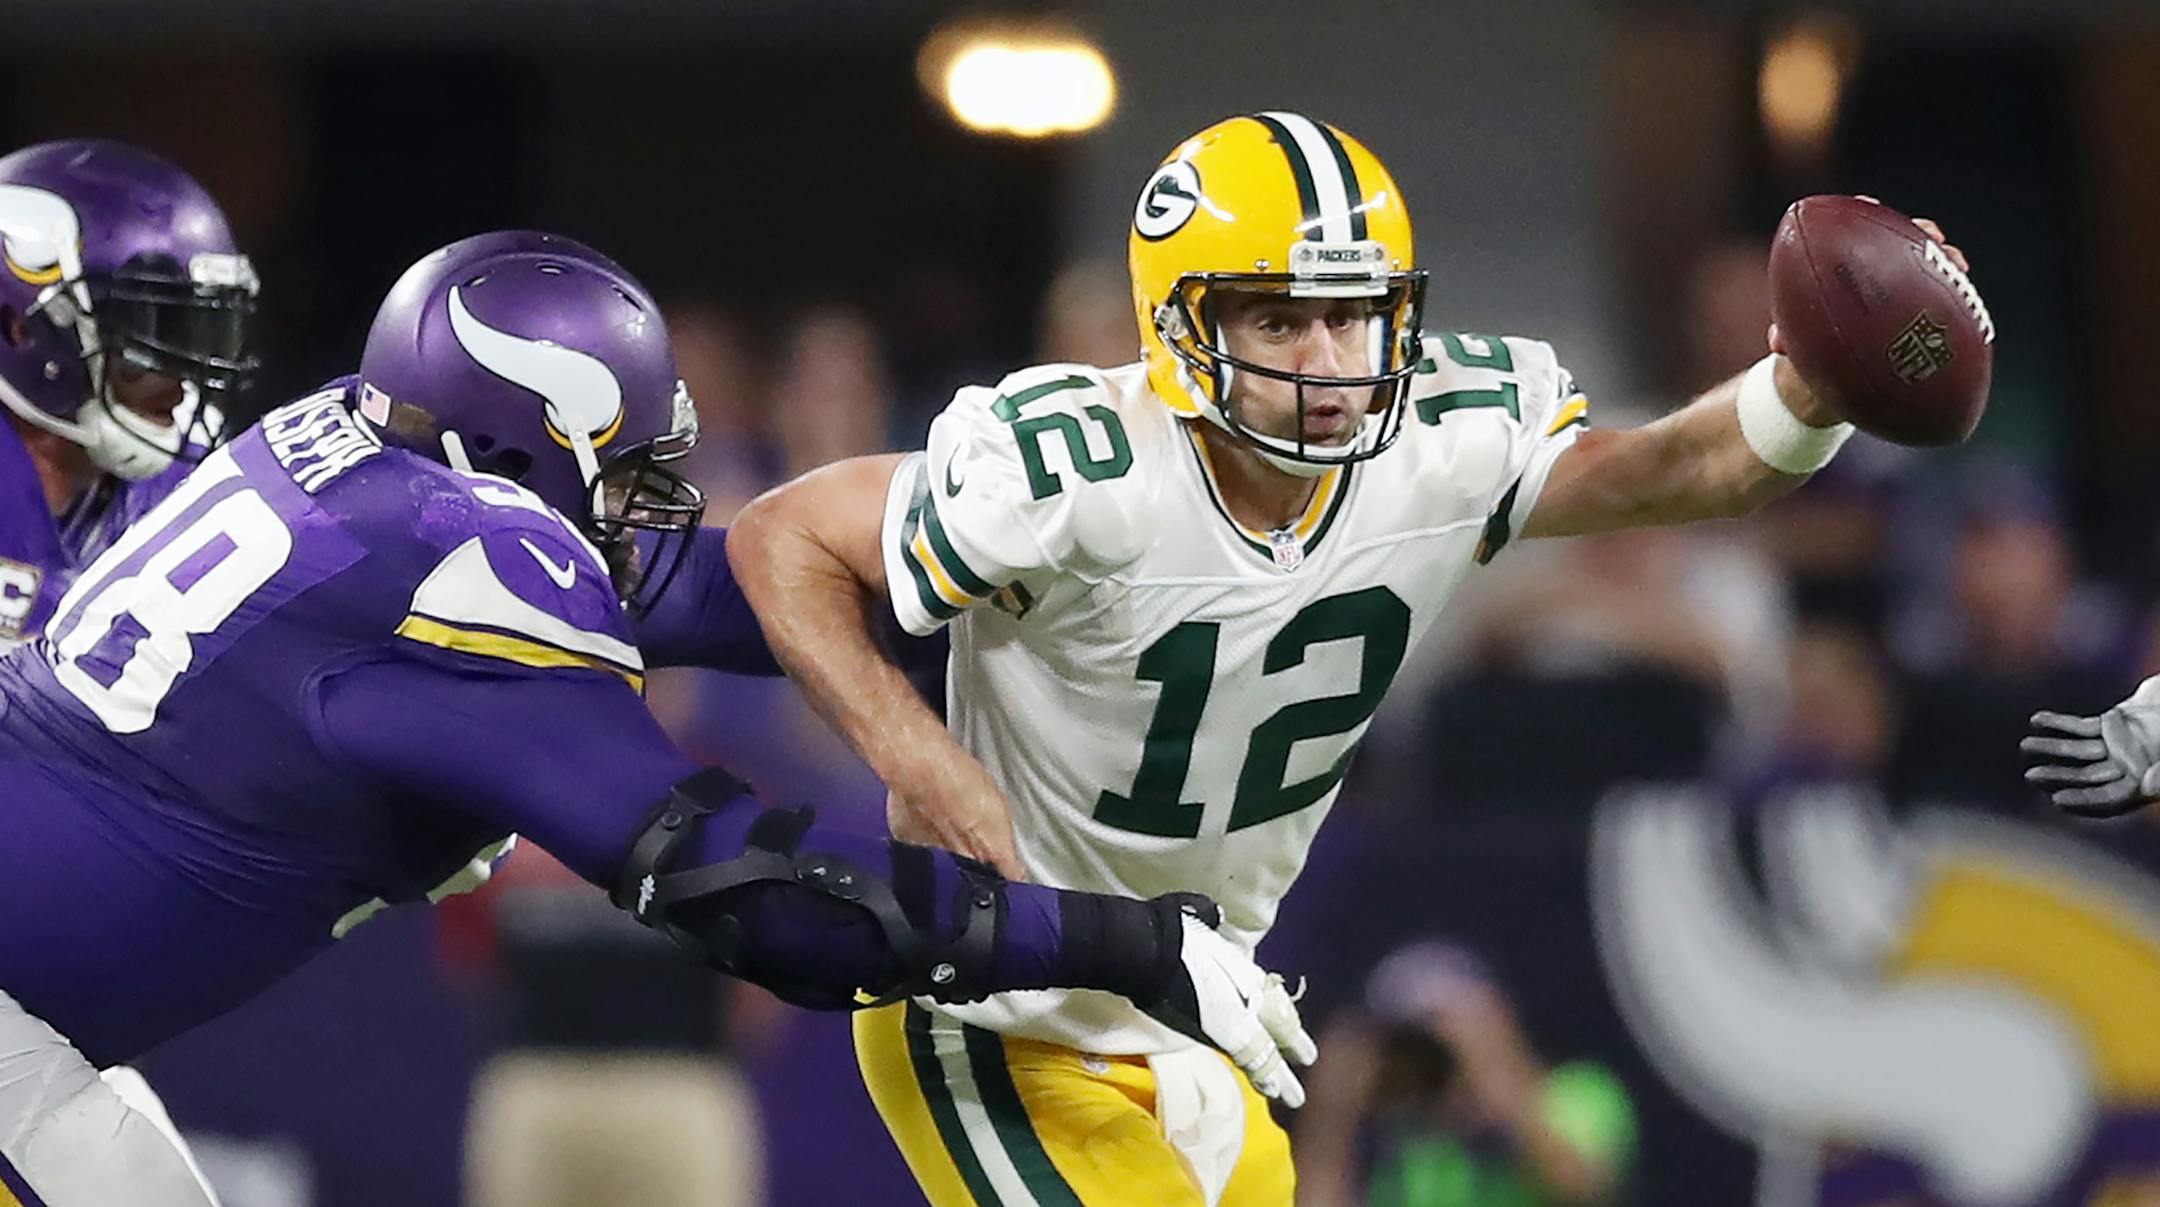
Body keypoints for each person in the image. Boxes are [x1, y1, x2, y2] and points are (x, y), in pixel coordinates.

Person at [725, 111, 1972, 1203]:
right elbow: (783, 537)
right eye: (1281, 319)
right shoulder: (1076, 466)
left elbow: (1682, 470)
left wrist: (1813, 385)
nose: (1328, 365)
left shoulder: (1435, 436)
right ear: (1179, 326)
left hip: (1201, 1016)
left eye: (1352, 317)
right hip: (1003, 1010)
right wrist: (917, 755)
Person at [0, 231, 1312, 1207]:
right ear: (519, 457)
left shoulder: (345, 453)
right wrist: (1127, 940)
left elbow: (702, 580)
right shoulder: (466, 585)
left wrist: (1007, 580)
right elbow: (761, 897)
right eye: (626, 471)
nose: (652, 506)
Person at [0, 139, 257, 649]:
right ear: (19, 329)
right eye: (146, 343)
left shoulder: (186, 479)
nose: (181, 384)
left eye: (194, 339)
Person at [1293, 941, 1634, 1207]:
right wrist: (1332, 1110)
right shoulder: (1417, 1156)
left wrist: (1489, 1063)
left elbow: (1578, 1185)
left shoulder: (1581, 1095)